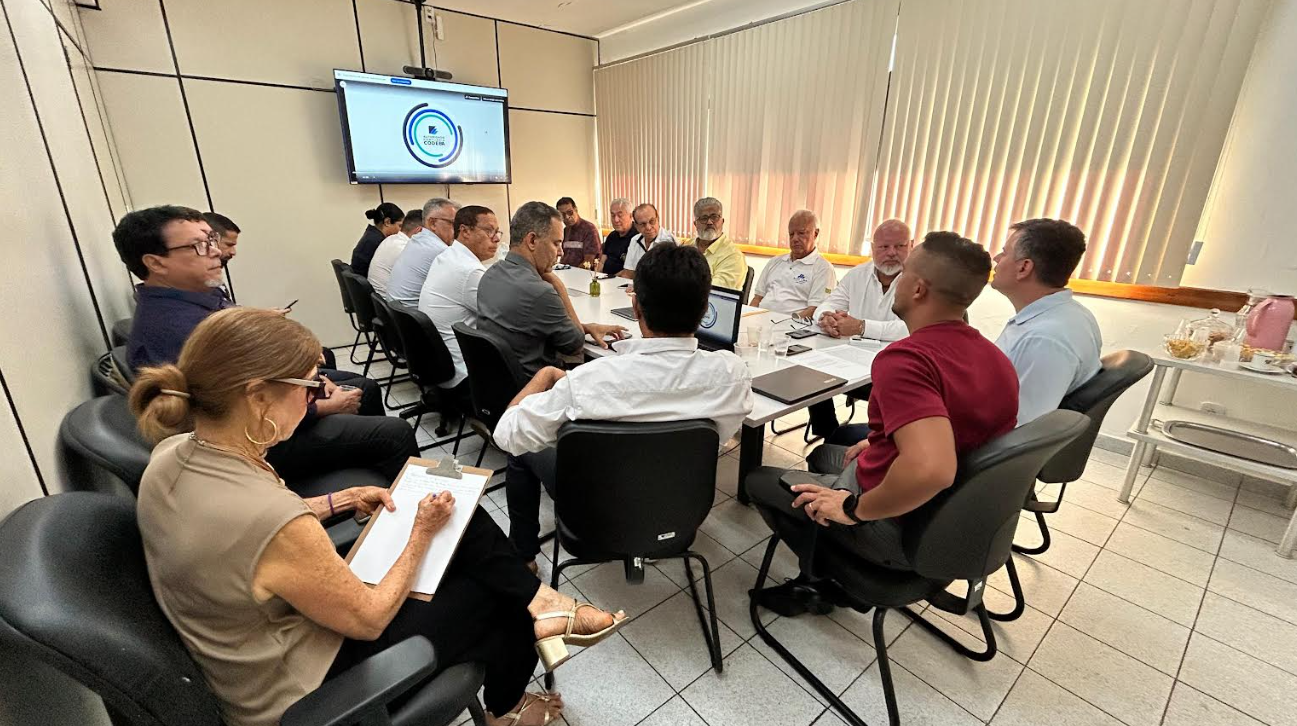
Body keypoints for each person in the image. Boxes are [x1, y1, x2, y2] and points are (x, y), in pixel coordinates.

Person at [130, 307, 625, 726]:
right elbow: (367, 619)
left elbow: (250, 534)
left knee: (466, 536)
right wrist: (420, 533)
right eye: (309, 386)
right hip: (300, 686)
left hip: (261, 642)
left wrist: (340, 500)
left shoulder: (174, 453)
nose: (317, 394)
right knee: (495, 590)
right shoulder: (268, 517)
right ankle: (511, 698)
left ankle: (542, 608)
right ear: (258, 397)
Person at [745, 233, 1019, 615]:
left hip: (899, 527)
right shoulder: (996, 358)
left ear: (918, 289)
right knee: (825, 455)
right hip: (954, 522)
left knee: (757, 480)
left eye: (905, 272)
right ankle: (824, 563)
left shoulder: (906, 359)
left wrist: (853, 509)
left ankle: (826, 584)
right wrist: (881, 442)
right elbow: (958, 432)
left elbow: (933, 468)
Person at [113, 205, 417, 484]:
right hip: (252, 447)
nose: (217, 252)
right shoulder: (177, 330)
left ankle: (374, 477)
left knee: (365, 387)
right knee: (394, 433)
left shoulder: (195, 299)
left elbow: (252, 371)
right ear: (155, 262)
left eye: (212, 240)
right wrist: (322, 403)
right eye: (199, 245)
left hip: (270, 406)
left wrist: (312, 382)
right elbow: (239, 412)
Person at [494, 244, 755, 565]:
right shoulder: (733, 376)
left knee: (522, 453)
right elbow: (723, 432)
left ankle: (524, 558)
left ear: (635, 306)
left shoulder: (589, 381)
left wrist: (545, 376)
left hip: (594, 519)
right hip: (680, 516)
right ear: (705, 310)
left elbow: (506, 434)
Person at [477, 201, 626, 378]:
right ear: (532, 240)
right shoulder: (539, 291)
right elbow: (575, 344)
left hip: (500, 380)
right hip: (539, 385)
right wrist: (557, 284)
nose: (561, 252)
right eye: (556, 244)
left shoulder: (490, 275)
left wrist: (586, 327)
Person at [804, 219, 913, 438]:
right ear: (872, 248)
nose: (892, 252)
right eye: (884, 246)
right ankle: (829, 433)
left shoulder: (920, 281)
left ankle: (881, 440)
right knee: (808, 367)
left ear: (911, 246)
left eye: (899, 246)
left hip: (895, 369)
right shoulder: (858, 275)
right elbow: (829, 303)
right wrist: (826, 317)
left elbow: (911, 328)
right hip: (852, 359)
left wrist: (861, 327)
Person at [991, 218, 1102, 426]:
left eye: (1004, 253)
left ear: (1024, 267)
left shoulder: (1044, 340)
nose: (996, 258)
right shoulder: (1071, 314)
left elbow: (1020, 427)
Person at [418, 204, 501, 403]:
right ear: (465, 231)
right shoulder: (469, 270)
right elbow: (506, 319)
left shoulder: (447, 256)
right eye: (489, 231)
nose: (496, 239)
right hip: (464, 373)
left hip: (439, 365)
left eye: (497, 232)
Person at [750, 210, 837, 317]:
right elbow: (757, 298)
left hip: (791, 324)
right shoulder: (775, 261)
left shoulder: (823, 269)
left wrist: (785, 322)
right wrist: (747, 318)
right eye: (791, 234)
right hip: (760, 321)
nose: (795, 239)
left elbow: (815, 310)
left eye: (801, 233)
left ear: (815, 234)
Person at [386, 198, 461, 305]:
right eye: (453, 223)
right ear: (433, 223)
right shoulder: (440, 251)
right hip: (412, 312)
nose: (458, 230)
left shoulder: (416, 240)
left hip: (398, 310)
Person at [685, 197, 746, 290]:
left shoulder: (733, 256)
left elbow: (714, 292)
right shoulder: (686, 246)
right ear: (695, 224)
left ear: (722, 221)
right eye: (704, 218)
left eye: (714, 217)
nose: (709, 222)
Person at [368, 209, 422, 297]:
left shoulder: (390, 239)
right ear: (419, 231)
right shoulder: (405, 249)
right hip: (390, 303)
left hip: (378, 300)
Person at [618, 203, 678, 279]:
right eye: (643, 224)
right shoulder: (634, 240)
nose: (648, 227)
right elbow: (628, 273)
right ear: (636, 226)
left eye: (652, 221)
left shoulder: (669, 242)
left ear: (658, 219)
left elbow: (668, 278)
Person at [350, 203, 403, 277]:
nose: (401, 230)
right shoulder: (378, 242)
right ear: (387, 222)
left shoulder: (371, 235)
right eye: (400, 226)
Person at [203, 211, 241, 302]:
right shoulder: (194, 282)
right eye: (229, 245)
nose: (233, 252)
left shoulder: (213, 277)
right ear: (211, 241)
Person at [556, 196, 601, 268]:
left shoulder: (589, 229)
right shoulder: (565, 231)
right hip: (564, 270)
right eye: (562, 215)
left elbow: (588, 262)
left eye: (570, 212)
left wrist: (572, 272)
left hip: (582, 272)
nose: (567, 217)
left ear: (576, 210)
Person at [596, 198, 635, 276]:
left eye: (620, 215)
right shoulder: (612, 236)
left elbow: (630, 271)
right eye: (613, 215)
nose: (616, 220)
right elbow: (602, 262)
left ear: (631, 216)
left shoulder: (637, 237)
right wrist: (597, 275)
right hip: (606, 278)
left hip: (623, 280)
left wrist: (611, 278)